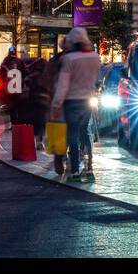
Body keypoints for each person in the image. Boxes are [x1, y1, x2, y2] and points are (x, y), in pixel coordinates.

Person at [51, 28, 103, 182]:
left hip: (72, 100)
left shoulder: (69, 59)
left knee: (72, 135)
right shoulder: (95, 57)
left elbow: (63, 84)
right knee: (85, 133)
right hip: (88, 100)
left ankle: (74, 170)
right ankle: (89, 168)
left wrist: (56, 103)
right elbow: (95, 79)